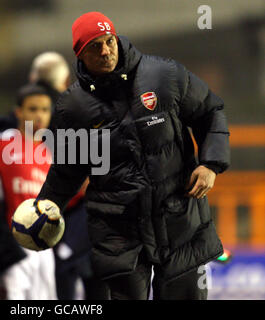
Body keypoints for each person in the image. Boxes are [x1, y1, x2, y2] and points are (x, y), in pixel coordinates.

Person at [32, 12, 230, 300]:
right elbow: (68, 169)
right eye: (94, 47)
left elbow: (211, 112)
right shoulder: (72, 106)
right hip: (117, 228)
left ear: (116, 39)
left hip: (178, 217)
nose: (105, 51)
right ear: (80, 54)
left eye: (108, 41)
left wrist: (210, 164)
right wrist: (44, 208)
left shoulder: (165, 75)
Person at [29, 51, 108, 300]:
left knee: (63, 270)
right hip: (86, 207)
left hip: (50, 208)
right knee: (92, 273)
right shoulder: (80, 108)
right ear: (64, 81)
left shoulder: (21, 119)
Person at [0, 84, 57, 300]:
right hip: (11, 243)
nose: (40, 115)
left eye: (45, 109)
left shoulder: (52, 152)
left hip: (44, 247)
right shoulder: (2, 144)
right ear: (18, 112)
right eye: (33, 109)